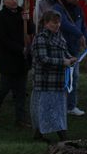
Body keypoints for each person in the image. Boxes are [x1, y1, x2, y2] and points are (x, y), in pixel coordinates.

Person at [0, 0, 34, 127]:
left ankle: (20, 119)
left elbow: (31, 30)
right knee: (5, 88)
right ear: (5, 1)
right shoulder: (0, 17)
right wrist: (19, 49)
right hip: (9, 58)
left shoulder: (22, 12)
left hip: (22, 59)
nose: (14, 1)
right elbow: (2, 38)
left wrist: (27, 20)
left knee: (21, 91)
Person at [30, 10, 77, 142]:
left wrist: (71, 58)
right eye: (54, 22)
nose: (57, 25)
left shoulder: (60, 37)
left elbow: (64, 52)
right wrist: (63, 62)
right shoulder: (40, 38)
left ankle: (57, 135)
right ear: (46, 23)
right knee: (43, 109)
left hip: (58, 81)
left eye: (58, 22)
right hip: (45, 81)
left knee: (58, 109)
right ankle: (45, 135)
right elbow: (42, 59)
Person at [53, 0, 87, 117]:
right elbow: (64, 24)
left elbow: (83, 25)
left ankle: (71, 106)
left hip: (75, 48)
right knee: (61, 77)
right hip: (61, 47)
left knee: (74, 77)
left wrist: (85, 38)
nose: (77, 0)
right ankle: (58, 104)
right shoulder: (58, 7)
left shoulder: (78, 9)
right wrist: (79, 34)